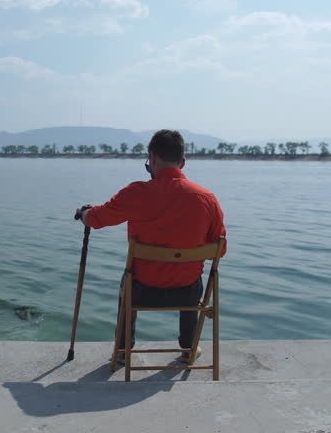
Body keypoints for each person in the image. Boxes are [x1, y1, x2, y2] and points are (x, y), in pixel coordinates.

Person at [75, 129, 226, 363]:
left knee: (127, 280)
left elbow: (96, 219)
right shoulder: (207, 199)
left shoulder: (136, 193)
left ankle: (124, 352)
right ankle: (189, 348)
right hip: (187, 293)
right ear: (183, 163)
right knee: (195, 277)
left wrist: (84, 213)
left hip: (141, 290)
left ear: (152, 158)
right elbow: (221, 249)